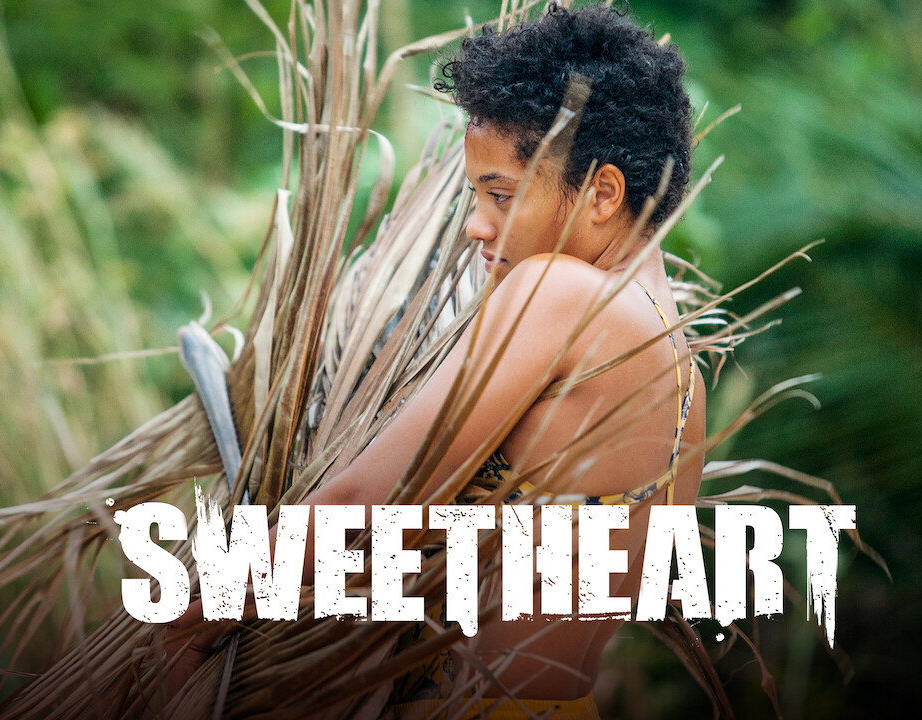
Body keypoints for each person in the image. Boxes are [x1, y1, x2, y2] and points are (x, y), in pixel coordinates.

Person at [163, 4, 705, 718]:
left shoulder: (559, 294)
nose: (476, 226)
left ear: (603, 192)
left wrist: (194, 622)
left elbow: (365, 503)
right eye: (474, 196)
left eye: (501, 195)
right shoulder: (683, 372)